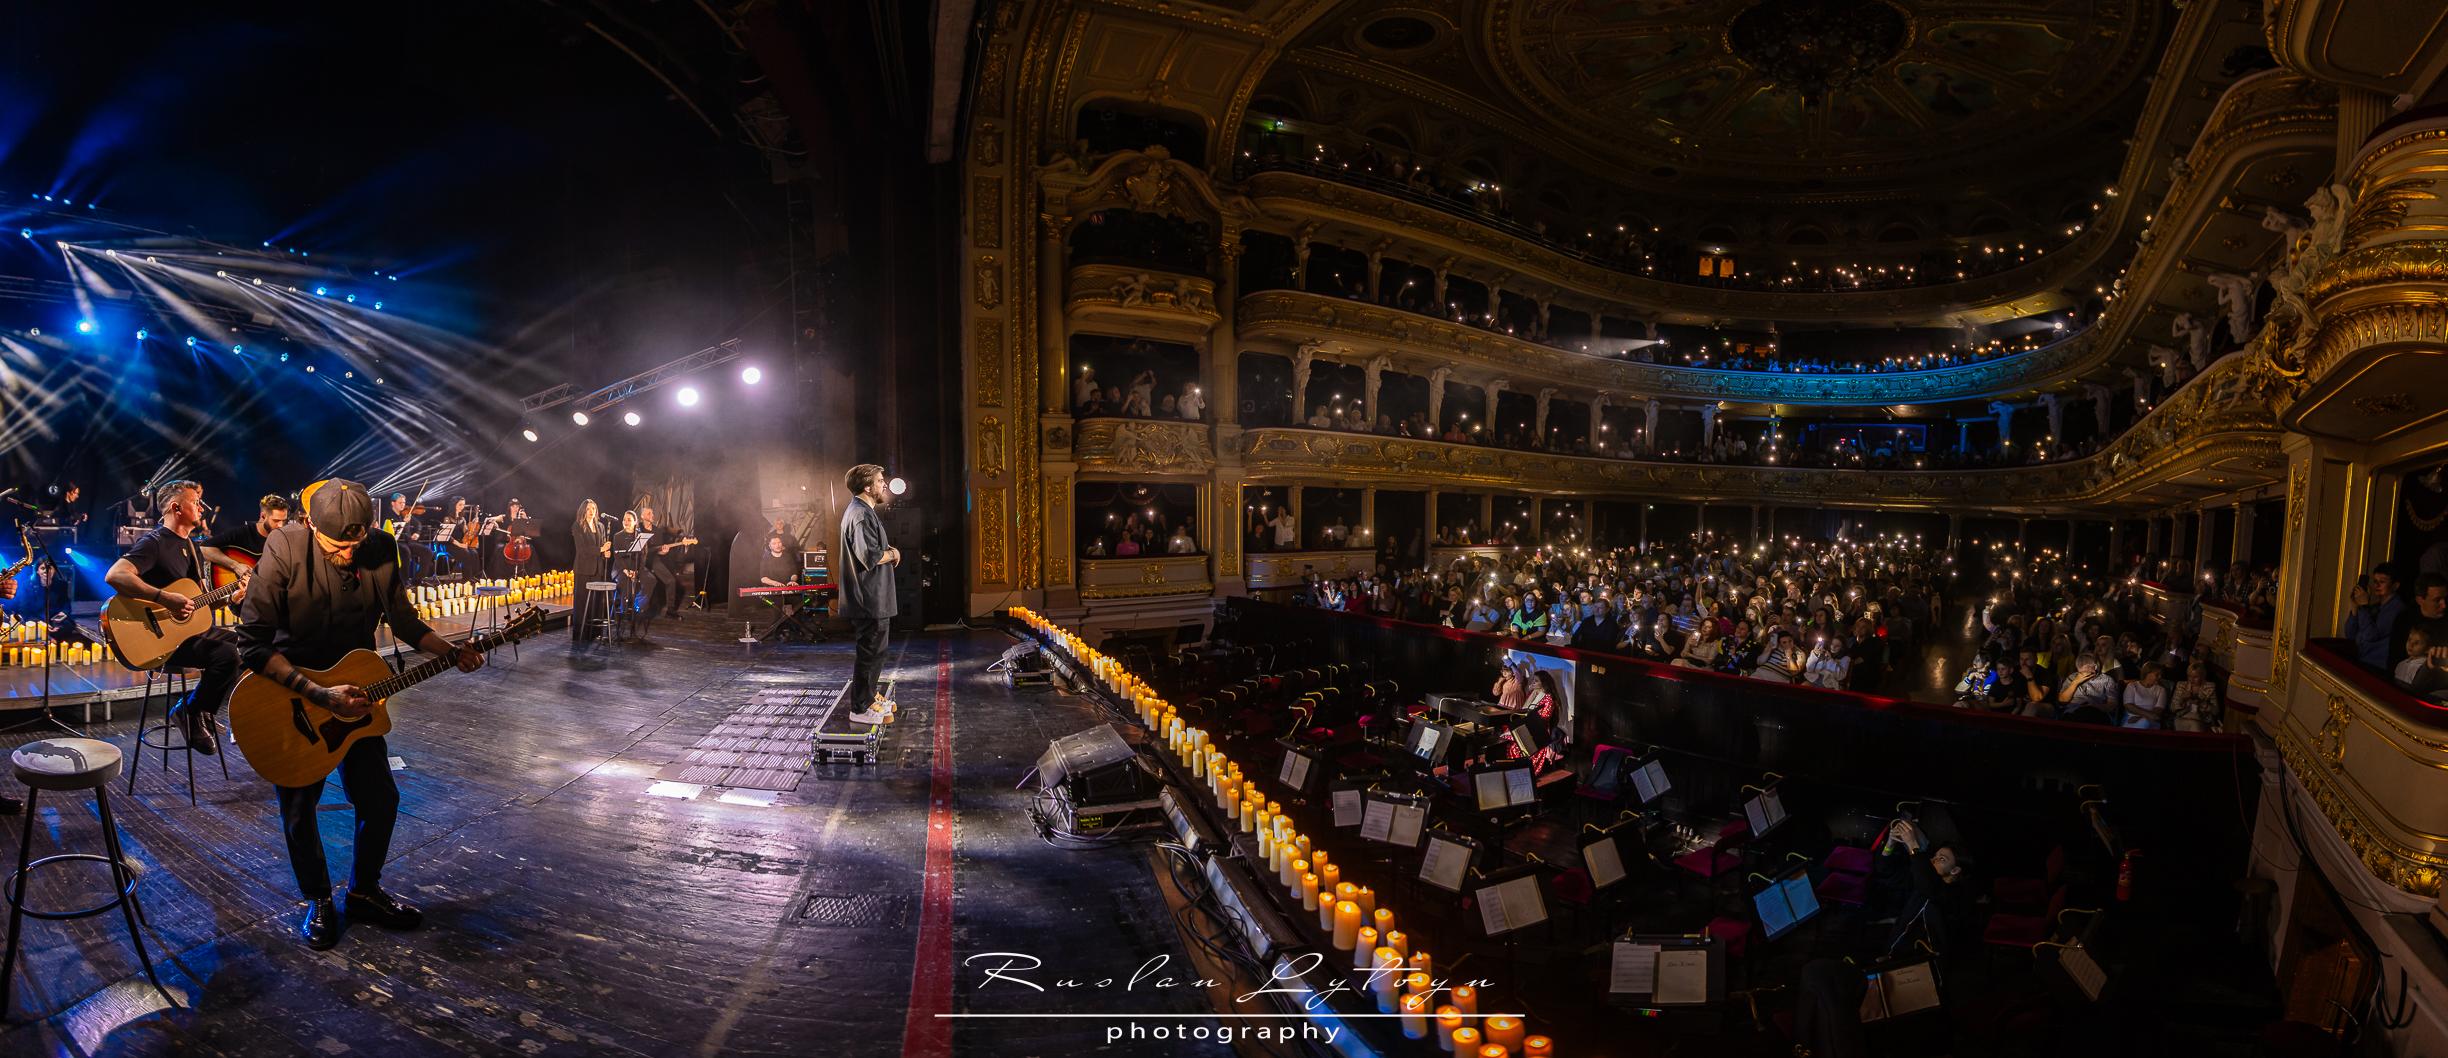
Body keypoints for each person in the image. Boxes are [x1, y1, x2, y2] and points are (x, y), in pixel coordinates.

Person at [231, 479, 482, 949]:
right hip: (290, 694)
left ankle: (363, 892)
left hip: (360, 687)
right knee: (299, 810)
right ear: (310, 525)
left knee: (380, 799)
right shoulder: (284, 546)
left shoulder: (381, 546)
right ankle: (318, 898)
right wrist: (319, 695)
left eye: (355, 543)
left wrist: (450, 652)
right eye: (336, 546)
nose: (347, 554)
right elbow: (252, 644)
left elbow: (403, 618)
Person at [102, 480, 246, 753]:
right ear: (176, 507)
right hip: (162, 641)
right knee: (227, 656)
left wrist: (230, 597)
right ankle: (191, 712)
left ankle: (199, 709)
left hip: (191, 633)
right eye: (195, 502)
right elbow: (115, 575)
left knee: (247, 644)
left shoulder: (191, 547)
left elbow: (199, 604)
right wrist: (164, 598)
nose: (201, 507)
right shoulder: (154, 543)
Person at [839, 464, 902, 725]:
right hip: (868, 598)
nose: (884, 484)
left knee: (876, 652)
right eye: (879, 480)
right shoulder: (860, 515)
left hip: (875, 597)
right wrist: (893, 554)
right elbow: (870, 556)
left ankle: (870, 696)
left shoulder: (863, 511)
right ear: (867, 487)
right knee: (869, 652)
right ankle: (860, 707)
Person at [2342, 563, 2411, 670]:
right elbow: (2350, 634)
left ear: (2395, 585)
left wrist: (2364, 606)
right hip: (2362, 661)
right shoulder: (2374, 607)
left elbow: (2371, 636)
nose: (2377, 585)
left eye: (2382, 582)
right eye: (2375, 581)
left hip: (2377, 667)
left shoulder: (2397, 609)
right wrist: (2355, 607)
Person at [202, 494, 292, 574]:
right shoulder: (243, 533)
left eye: (283, 521)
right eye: (276, 521)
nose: (280, 525)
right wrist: (235, 565)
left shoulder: (283, 540)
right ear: (263, 516)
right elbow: (204, 549)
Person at [637, 506, 686, 617]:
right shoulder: (637, 529)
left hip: (653, 560)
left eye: (652, 513)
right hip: (639, 561)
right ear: (642, 516)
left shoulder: (656, 531)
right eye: (649, 513)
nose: (652, 515)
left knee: (671, 581)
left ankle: (670, 610)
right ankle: (637, 606)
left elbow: (659, 551)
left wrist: (663, 551)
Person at [2170, 659, 2221, 732]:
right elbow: (2172, 708)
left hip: (2201, 721)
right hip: (2182, 718)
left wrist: (2202, 703)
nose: (2191, 680)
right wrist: (2182, 699)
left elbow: (2216, 711)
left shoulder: (2209, 687)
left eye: (2195, 677)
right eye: (2189, 676)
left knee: (2196, 726)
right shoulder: (2181, 686)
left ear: (2202, 676)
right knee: (2193, 725)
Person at [2121, 662, 2168, 729]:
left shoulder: (2161, 690)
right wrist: (2145, 715)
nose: (2160, 677)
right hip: (2131, 718)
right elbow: (2128, 705)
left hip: (2151, 719)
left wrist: (2141, 717)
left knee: (2145, 722)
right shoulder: (2132, 686)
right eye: (2157, 675)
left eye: (2161, 675)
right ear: (2147, 674)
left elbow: (2159, 709)